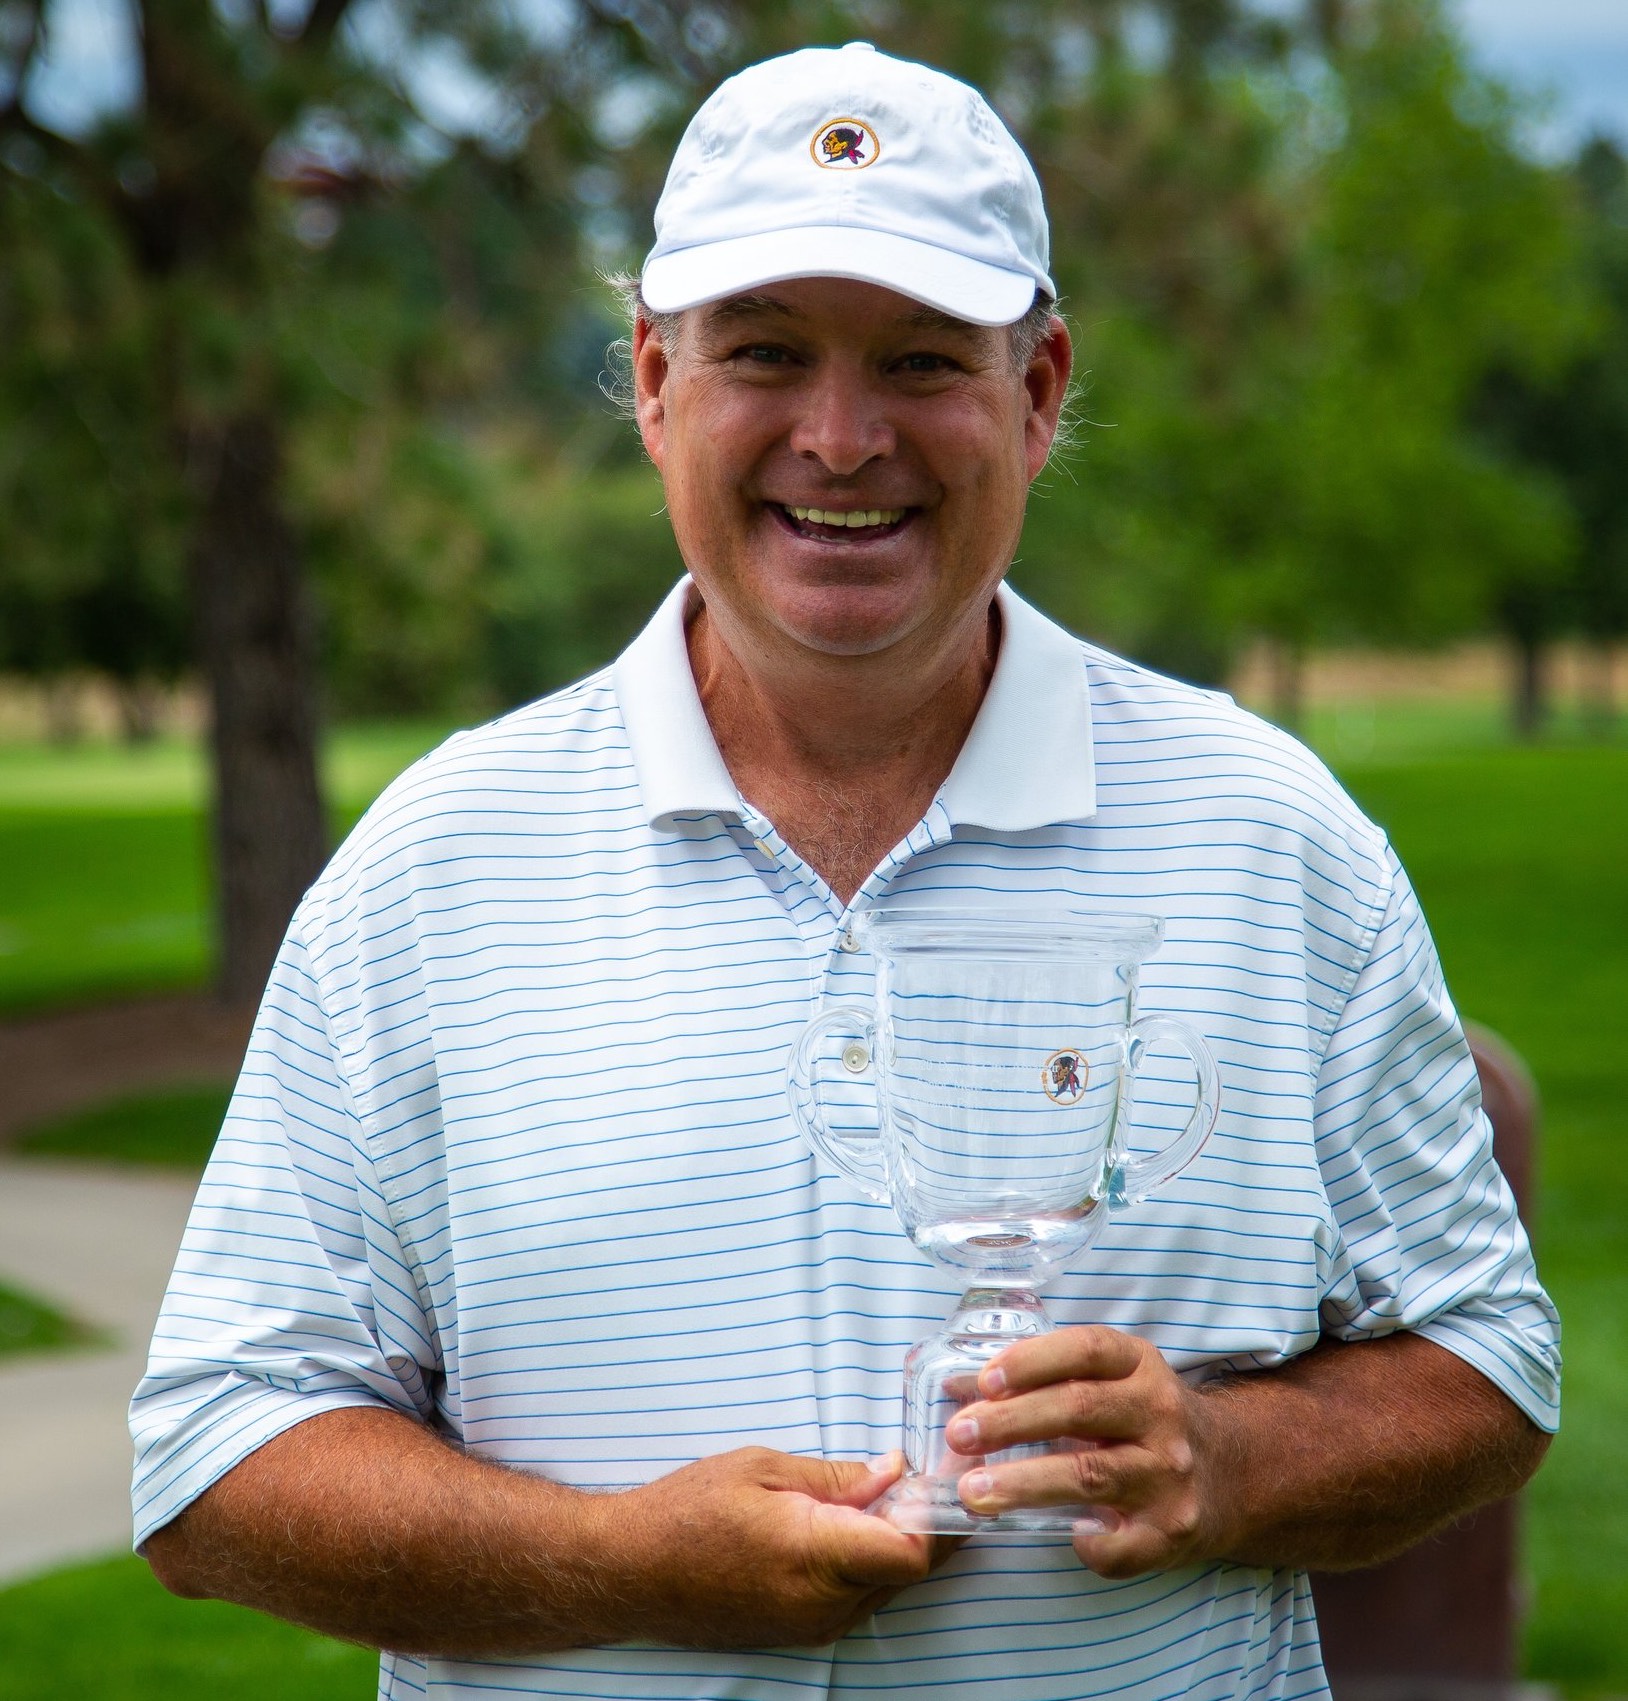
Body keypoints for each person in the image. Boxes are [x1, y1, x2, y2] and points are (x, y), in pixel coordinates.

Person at [132, 42, 1559, 1701]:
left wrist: (1228, 1461)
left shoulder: (1270, 837)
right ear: (654, 382)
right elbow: (214, 1460)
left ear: (1037, 393)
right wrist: (617, 1562)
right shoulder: (434, 869)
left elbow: (1487, 1359)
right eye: (765, 352)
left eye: (920, 360)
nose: (840, 435)